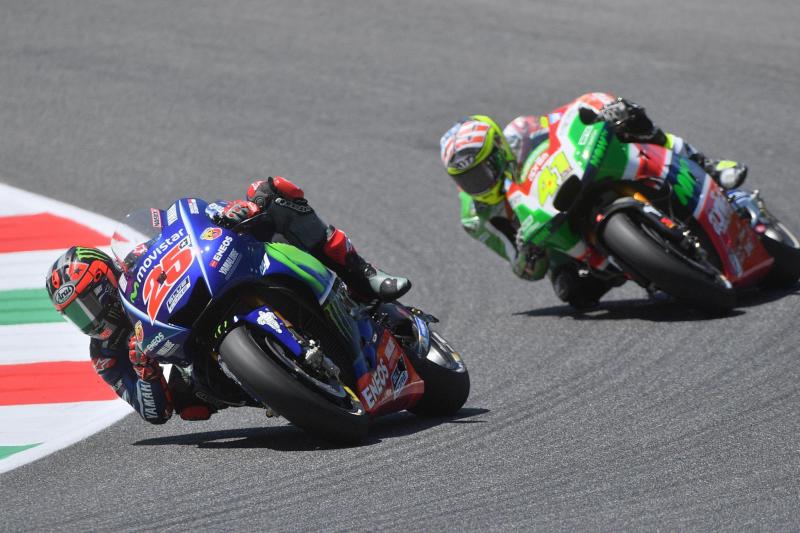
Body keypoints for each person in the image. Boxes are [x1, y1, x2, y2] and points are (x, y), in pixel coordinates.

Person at [45, 177, 411, 424]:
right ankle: (279, 387)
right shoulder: (106, 355)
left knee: (271, 192)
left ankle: (364, 276)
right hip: (192, 359)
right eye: (77, 314)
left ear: (108, 280)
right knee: (189, 407)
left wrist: (230, 211)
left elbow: (183, 225)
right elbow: (153, 413)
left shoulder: (135, 265)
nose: (92, 319)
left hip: (206, 284)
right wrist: (144, 368)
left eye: (90, 303)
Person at [440, 92, 748, 308]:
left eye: (482, 172)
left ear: (498, 151)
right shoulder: (475, 216)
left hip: (569, 185)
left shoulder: (521, 133)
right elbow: (521, 268)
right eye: (465, 179)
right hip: (549, 237)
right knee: (572, 291)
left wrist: (603, 111)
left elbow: (563, 119)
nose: (477, 185)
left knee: (628, 119)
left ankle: (706, 164)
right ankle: (637, 267)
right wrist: (527, 252)